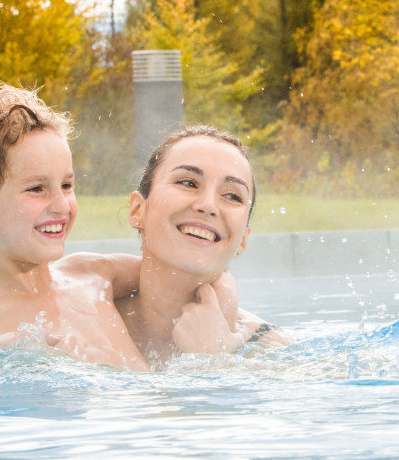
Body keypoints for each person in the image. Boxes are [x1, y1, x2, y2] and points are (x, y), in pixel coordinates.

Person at [0, 83, 148, 370]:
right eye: (36, 188)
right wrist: (4, 360)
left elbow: (189, 275)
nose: (61, 205)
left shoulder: (94, 274)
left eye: (67, 185)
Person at [115, 125, 289, 369]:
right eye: (188, 182)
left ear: (244, 239)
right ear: (137, 210)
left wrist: (214, 359)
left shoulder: (271, 353)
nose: (208, 205)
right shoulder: (78, 323)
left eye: (232, 196)